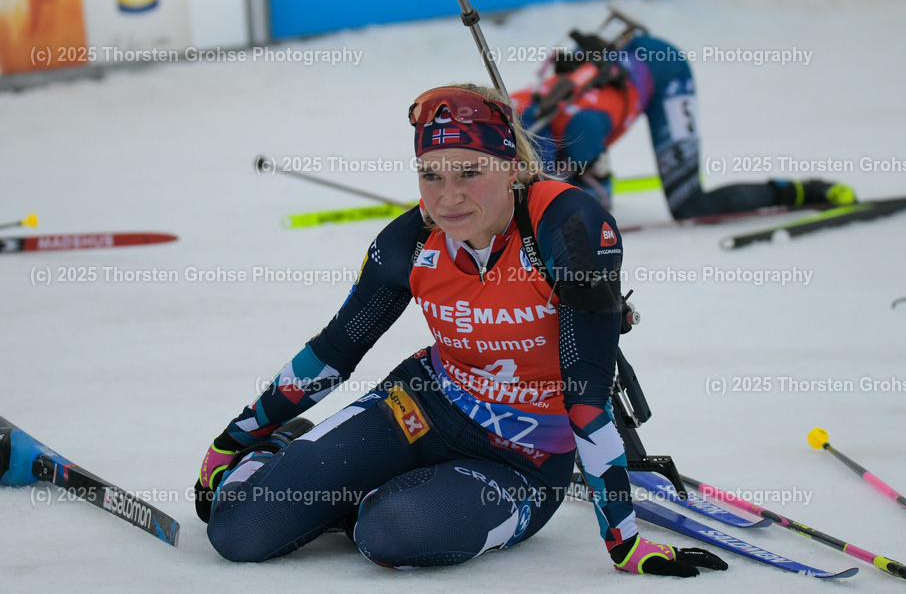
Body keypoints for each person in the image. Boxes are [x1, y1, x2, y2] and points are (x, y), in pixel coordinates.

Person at [194, 84, 729, 577]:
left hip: (523, 459)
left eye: (469, 173)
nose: (447, 197)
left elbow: (586, 397)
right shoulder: (410, 242)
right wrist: (233, 440)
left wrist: (625, 542)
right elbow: (335, 351)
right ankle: (285, 451)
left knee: (388, 532)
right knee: (238, 532)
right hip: (420, 408)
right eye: (432, 175)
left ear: (513, 167)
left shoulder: (568, 228)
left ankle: (367, 491)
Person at [510, 24, 856, 219]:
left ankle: (803, 191)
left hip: (665, 72)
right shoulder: (514, 110)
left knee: (690, 205)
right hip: (608, 85)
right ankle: (589, 179)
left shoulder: (582, 131)